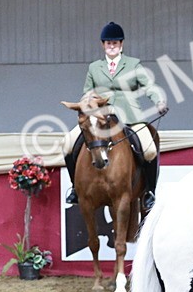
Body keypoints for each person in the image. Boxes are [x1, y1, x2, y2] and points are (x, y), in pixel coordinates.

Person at [64, 21, 168, 211]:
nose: (112, 46)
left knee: (150, 150)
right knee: (68, 144)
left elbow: (149, 86)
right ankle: (75, 189)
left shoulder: (133, 64)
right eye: (108, 43)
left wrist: (159, 100)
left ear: (121, 44)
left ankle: (149, 193)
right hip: (100, 118)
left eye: (116, 43)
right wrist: (87, 102)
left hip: (130, 117)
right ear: (103, 45)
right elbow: (87, 92)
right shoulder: (95, 67)